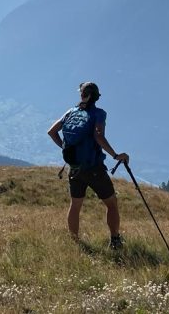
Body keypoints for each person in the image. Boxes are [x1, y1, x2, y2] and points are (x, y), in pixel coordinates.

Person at [47, 82, 129, 249]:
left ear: (82, 94)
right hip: (93, 167)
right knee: (111, 203)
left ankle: (74, 242)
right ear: (95, 96)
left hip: (74, 167)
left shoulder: (71, 112)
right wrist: (115, 155)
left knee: (75, 205)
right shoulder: (98, 113)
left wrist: (64, 146)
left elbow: (51, 131)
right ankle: (115, 241)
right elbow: (98, 136)